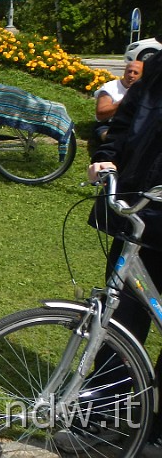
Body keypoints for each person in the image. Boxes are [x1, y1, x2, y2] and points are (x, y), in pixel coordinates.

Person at [77, 53, 162, 449]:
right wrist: (105, 160)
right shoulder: (157, 66)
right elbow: (122, 125)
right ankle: (101, 417)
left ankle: (156, 427)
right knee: (118, 319)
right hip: (140, 214)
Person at [93, 60, 143, 142]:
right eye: (129, 71)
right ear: (124, 72)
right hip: (110, 125)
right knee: (114, 140)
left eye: (135, 73)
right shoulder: (110, 88)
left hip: (135, 126)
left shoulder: (145, 90)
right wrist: (125, 101)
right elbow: (101, 115)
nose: (131, 75)